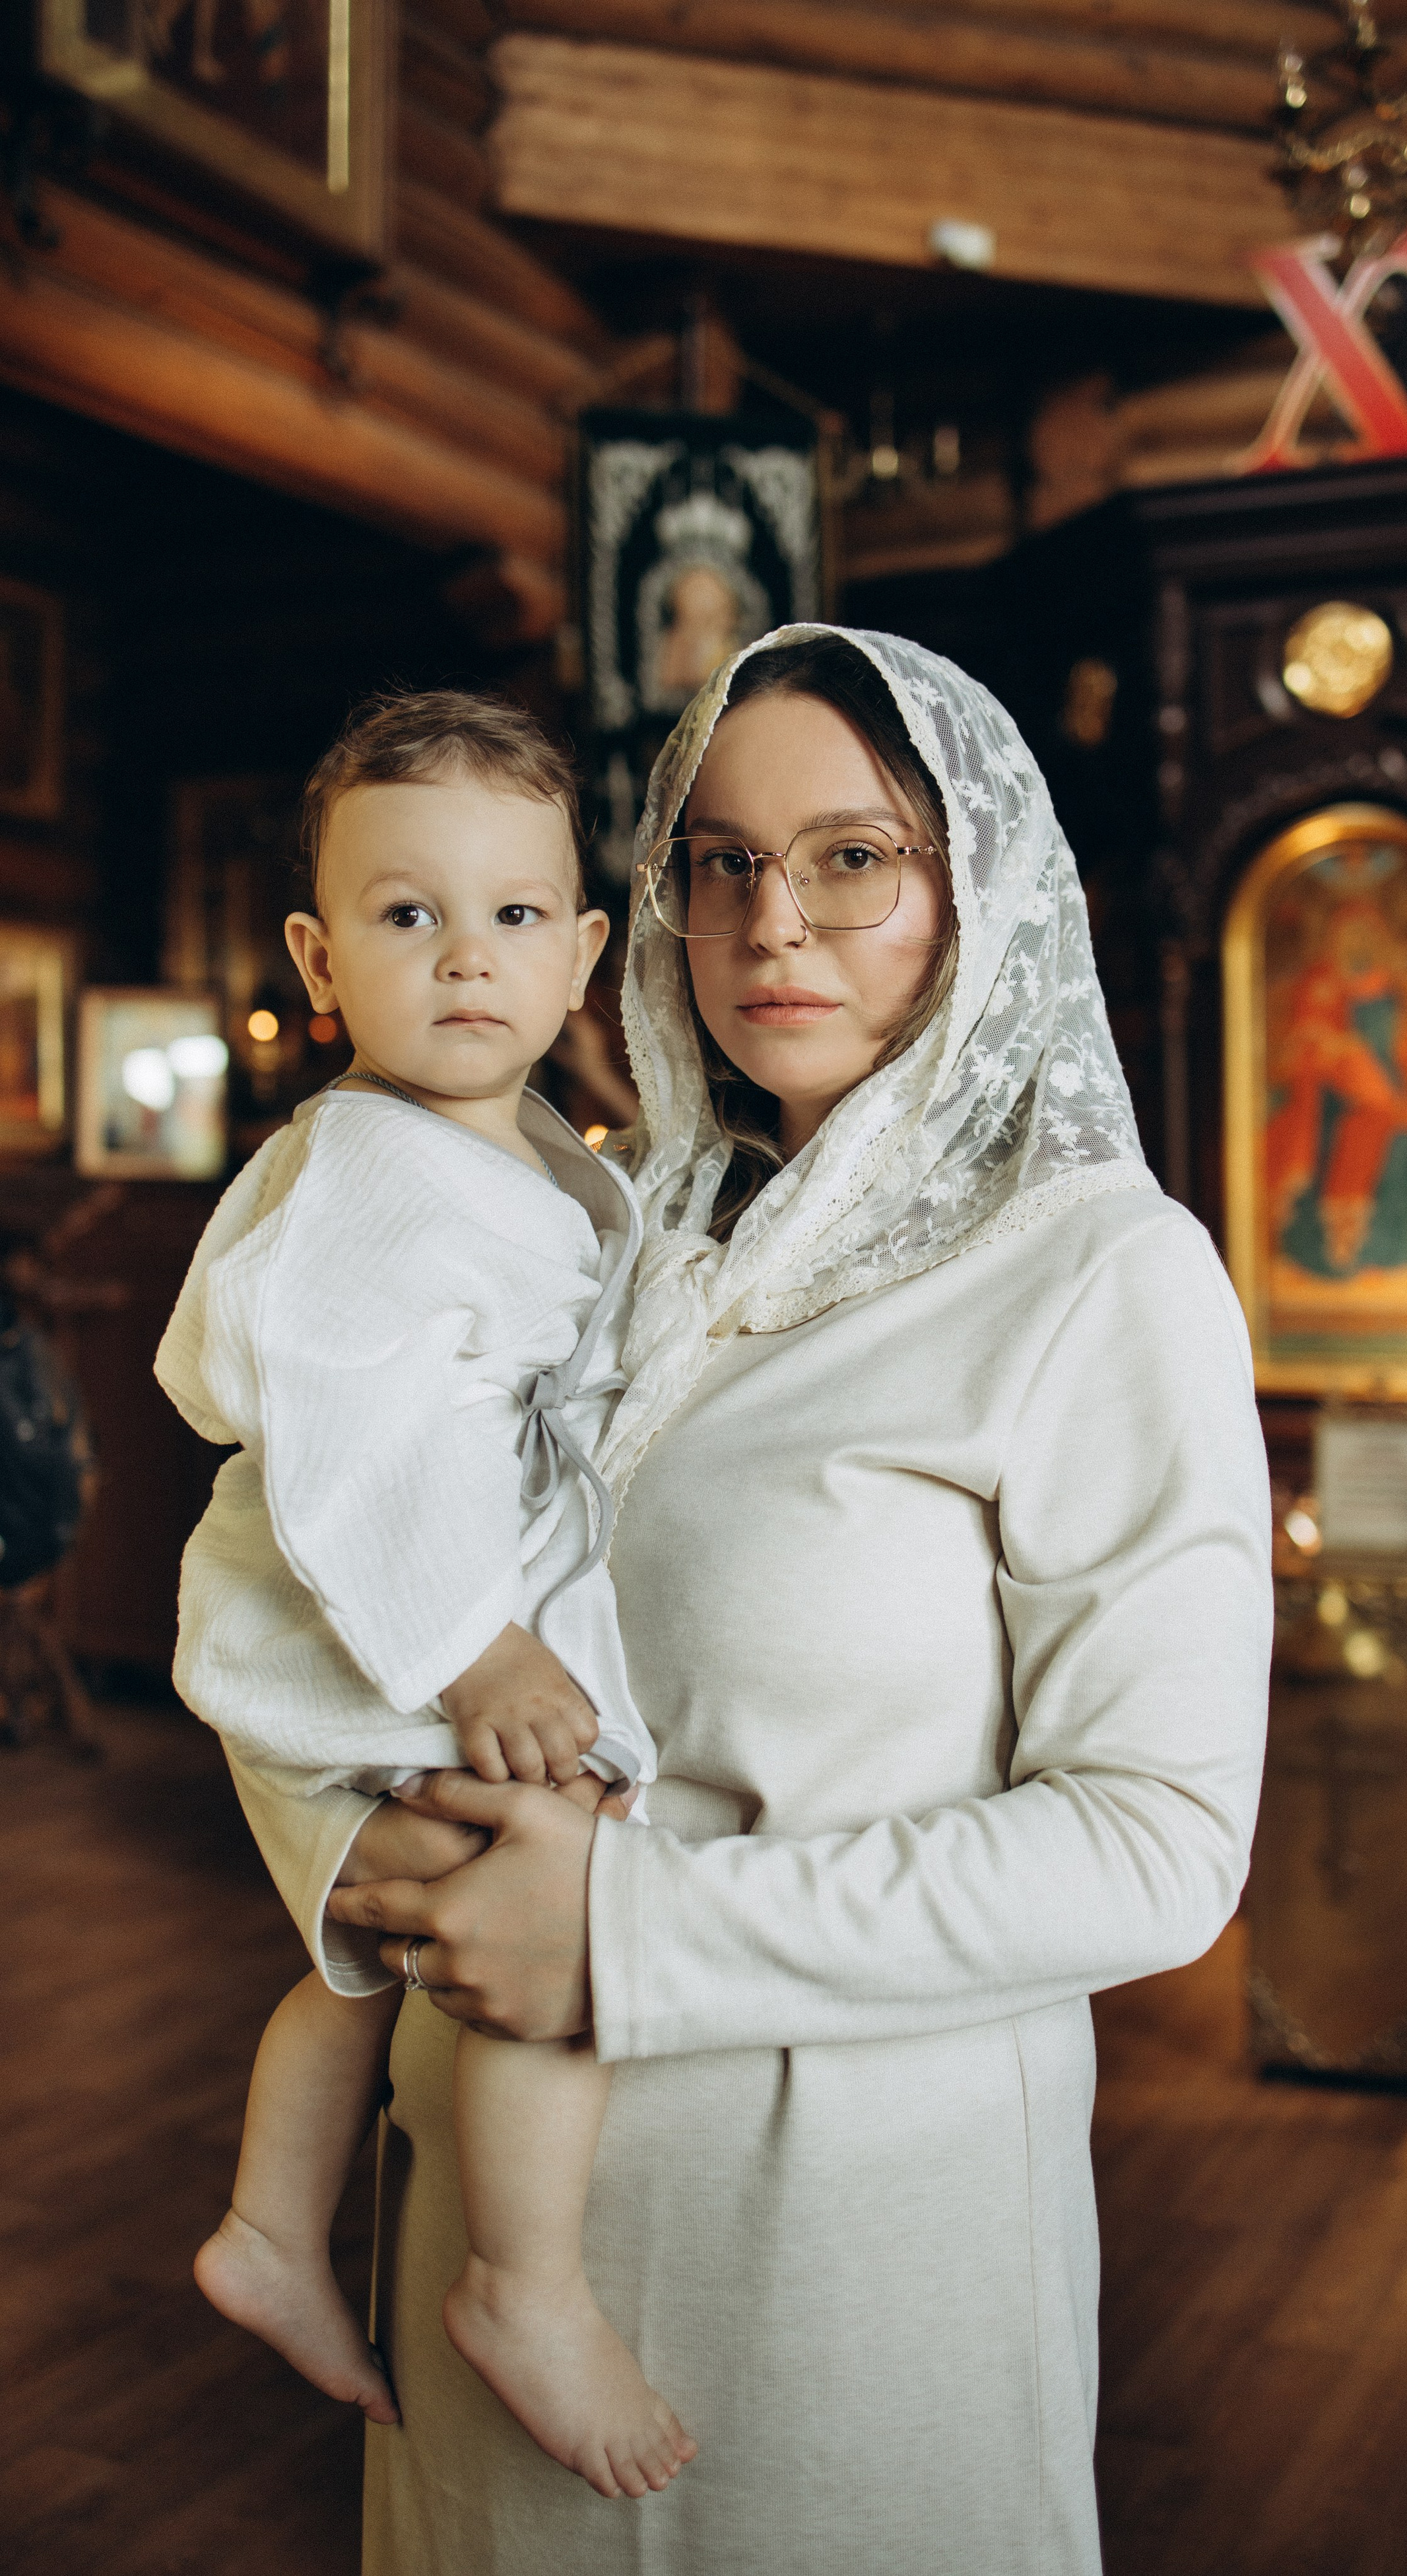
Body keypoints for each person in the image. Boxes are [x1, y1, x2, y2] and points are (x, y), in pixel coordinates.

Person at [228, 628, 1272, 2575]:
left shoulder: (1097, 1277)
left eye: (853, 858)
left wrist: (629, 1929)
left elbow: (1160, 1849)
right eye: (717, 860)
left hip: (833, 2257)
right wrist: (335, 1848)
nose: (770, 920)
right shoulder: (582, 1225)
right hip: (481, 2227)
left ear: (978, 892)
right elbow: (343, 1558)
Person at [155, 692, 696, 2501]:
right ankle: (525, 2285)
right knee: (564, 1906)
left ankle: (267, 2225)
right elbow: (357, 1456)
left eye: (517, 917)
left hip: (413, 1626)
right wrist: (479, 1649)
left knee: (372, 1954)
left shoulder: (522, 1146)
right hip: (385, 1631)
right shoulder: (367, 1181)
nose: (469, 959)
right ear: (318, 953)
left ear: (587, 950)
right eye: (408, 917)